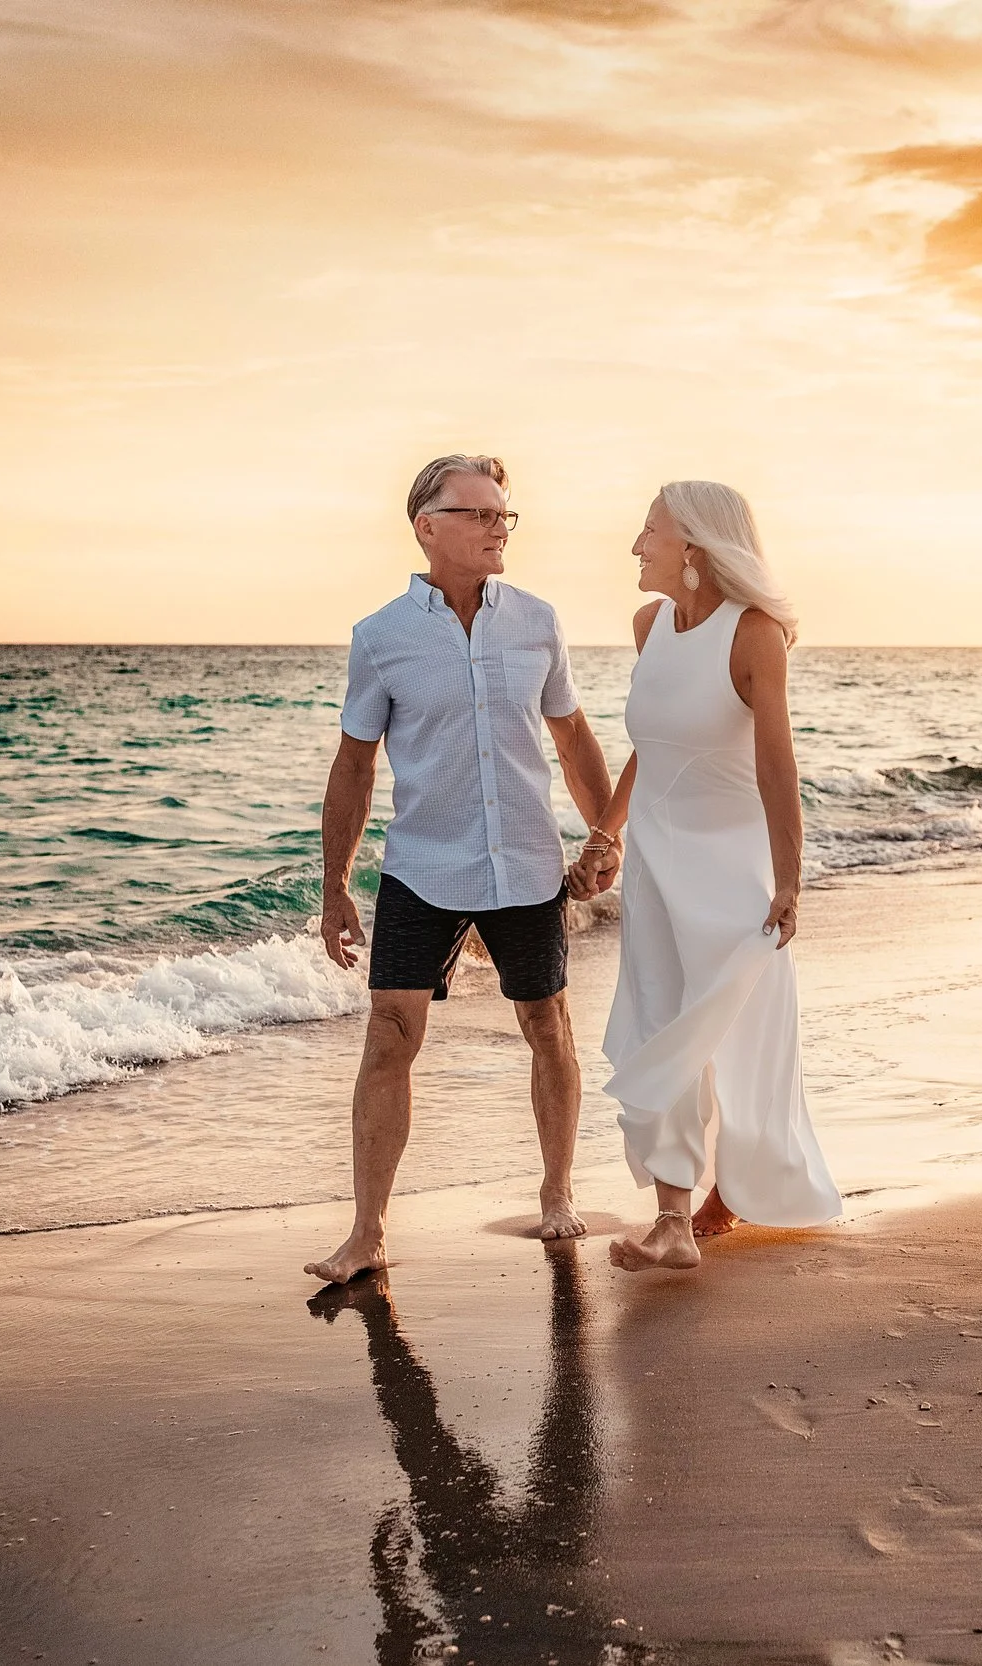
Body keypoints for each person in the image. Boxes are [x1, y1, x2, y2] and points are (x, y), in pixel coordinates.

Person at [305, 454, 616, 1287]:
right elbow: (354, 766)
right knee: (390, 1036)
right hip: (422, 868)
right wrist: (336, 885)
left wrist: (605, 834)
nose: (496, 529)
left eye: (503, 516)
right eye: (478, 515)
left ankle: (557, 1191)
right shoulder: (382, 638)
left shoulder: (539, 622)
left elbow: (573, 737)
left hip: (524, 864)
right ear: (427, 526)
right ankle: (367, 1233)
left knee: (548, 1028)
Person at [568, 480, 840, 1273]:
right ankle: (673, 1221)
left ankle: (732, 1194)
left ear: (693, 546)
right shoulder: (649, 626)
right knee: (658, 1021)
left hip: (730, 865)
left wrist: (788, 881)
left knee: (730, 1034)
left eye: (648, 532)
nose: (635, 547)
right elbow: (653, 746)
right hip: (657, 860)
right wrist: (605, 835)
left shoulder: (754, 634)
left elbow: (776, 766)